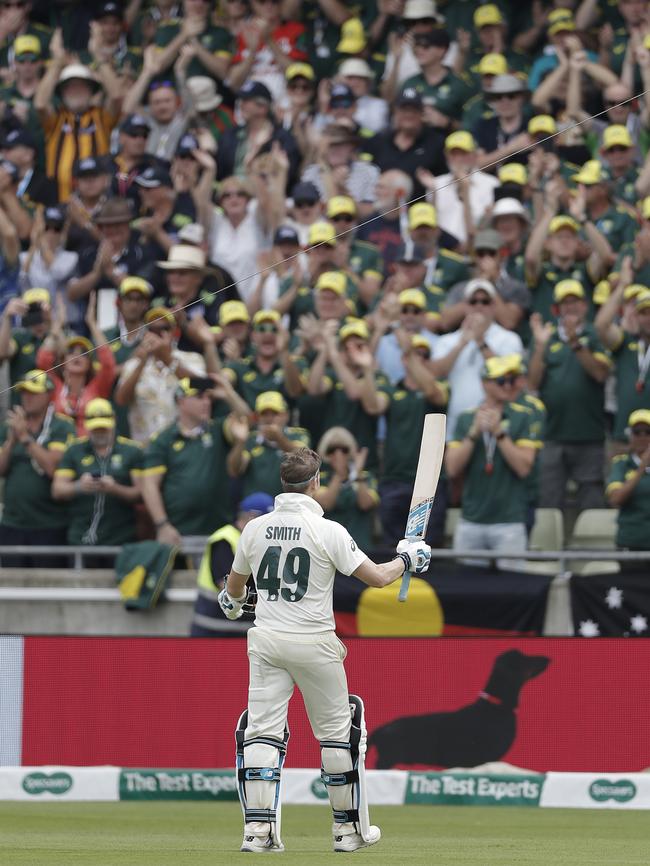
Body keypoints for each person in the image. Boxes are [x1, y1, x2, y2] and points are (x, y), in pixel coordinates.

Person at [217, 447, 431, 853]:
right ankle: (347, 831)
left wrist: (231, 603)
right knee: (337, 735)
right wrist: (408, 559)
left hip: (266, 639)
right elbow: (379, 578)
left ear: (283, 483)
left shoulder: (254, 529)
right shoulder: (328, 530)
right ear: (315, 483)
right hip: (314, 641)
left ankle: (258, 834)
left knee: (261, 731)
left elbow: (234, 589)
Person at [445, 355, 538, 568]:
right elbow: (452, 468)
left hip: (509, 520)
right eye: (501, 381)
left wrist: (499, 434)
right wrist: (473, 434)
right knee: (469, 590)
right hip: (471, 519)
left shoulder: (524, 416)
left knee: (513, 588)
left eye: (511, 380)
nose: (508, 385)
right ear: (485, 383)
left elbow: (524, 468)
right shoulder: (466, 418)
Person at [529, 281, 611, 510]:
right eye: (565, 303)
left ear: (584, 305)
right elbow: (532, 383)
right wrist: (539, 346)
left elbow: (600, 374)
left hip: (589, 435)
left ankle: (591, 547)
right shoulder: (547, 337)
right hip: (553, 435)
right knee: (548, 500)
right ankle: (549, 547)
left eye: (575, 301)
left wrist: (575, 342)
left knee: (592, 503)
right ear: (556, 309)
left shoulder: (595, 334)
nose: (570, 307)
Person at [141, 376, 244, 546]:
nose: (206, 402)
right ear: (181, 401)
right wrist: (162, 525)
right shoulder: (163, 439)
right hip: (180, 531)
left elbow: (246, 419)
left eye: (208, 397)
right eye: (199, 397)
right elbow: (149, 485)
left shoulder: (218, 429)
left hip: (220, 529)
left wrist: (228, 394)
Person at [431, 278, 523, 439]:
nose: (479, 306)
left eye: (485, 301)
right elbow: (436, 373)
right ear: (465, 306)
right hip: (457, 425)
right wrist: (462, 343)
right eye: (473, 301)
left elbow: (507, 376)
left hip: (498, 424)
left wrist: (480, 341)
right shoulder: (448, 340)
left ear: (494, 305)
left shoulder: (509, 339)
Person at [0, 370, 74, 566]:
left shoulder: (62, 426)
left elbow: (53, 467)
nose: (27, 397)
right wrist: (10, 441)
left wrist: (25, 438)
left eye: (33, 392)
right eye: (24, 392)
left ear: (48, 395)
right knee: (10, 587)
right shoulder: (10, 425)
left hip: (49, 524)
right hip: (12, 524)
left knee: (50, 587)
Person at [51, 399, 143, 551]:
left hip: (120, 538)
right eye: (96, 428)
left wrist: (115, 489)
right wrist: (79, 487)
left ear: (113, 421)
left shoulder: (131, 451)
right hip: (80, 537)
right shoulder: (74, 450)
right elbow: (57, 489)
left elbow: (140, 493)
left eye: (104, 428)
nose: (100, 432)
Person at [226, 390, 310, 498]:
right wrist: (240, 442)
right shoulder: (251, 439)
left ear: (286, 415)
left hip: (288, 507)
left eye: (275, 413)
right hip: (256, 509)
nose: (269, 419)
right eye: (264, 414)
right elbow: (234, 470)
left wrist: (279, 439)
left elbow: (304, 458)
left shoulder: (298, 434)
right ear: (257, 418)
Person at [314, 426, 379, 553]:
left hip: (361, 549)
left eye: (344, 450)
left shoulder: (366, 477)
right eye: (332, 450)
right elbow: (326, 504)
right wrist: (339, 474)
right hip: (329, 549)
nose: (338, 455)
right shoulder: (320, 478)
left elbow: (366, 504)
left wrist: (358, 473)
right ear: (325, 453)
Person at [606, 410, 650, 562]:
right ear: (630, 435)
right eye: (637, 432)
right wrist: (641, 467)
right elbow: (615, 499)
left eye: (648, 432)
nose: (643, 437)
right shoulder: (621, 463)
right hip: (631, 542)